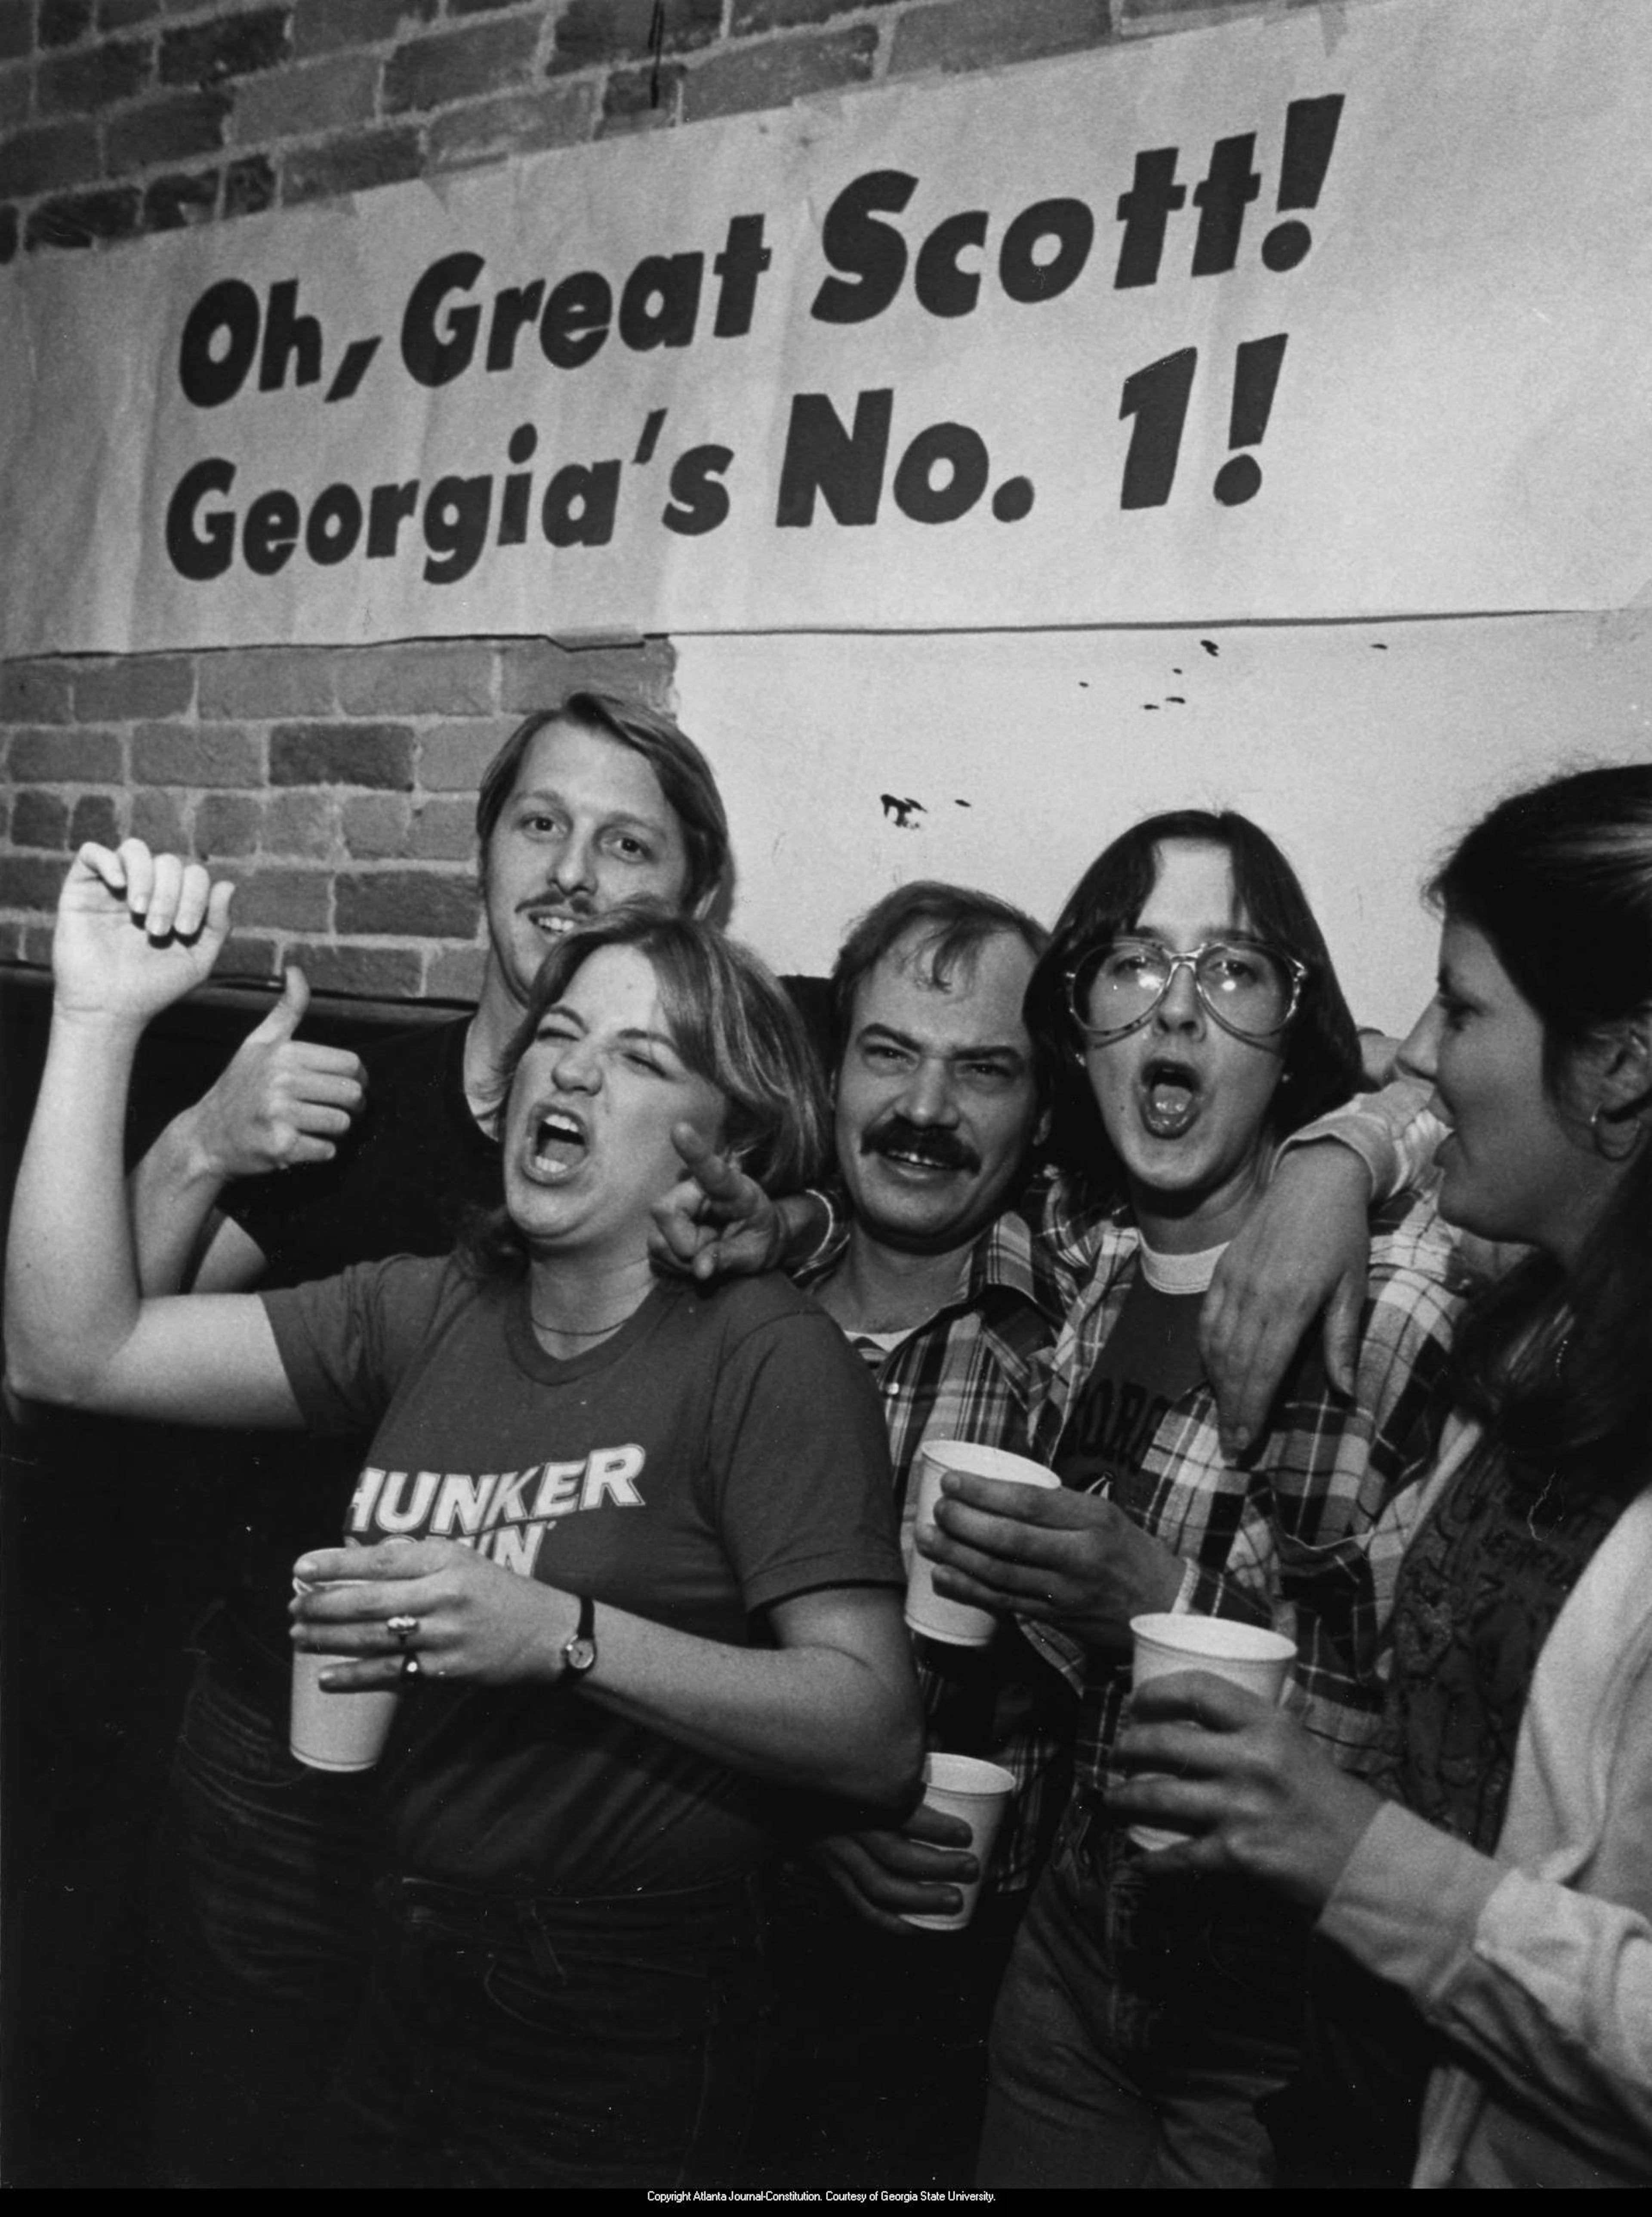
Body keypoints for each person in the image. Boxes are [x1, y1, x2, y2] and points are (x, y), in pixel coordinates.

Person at [6, 843, 924, 2190]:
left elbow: (874, 1734)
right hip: (401, 1947)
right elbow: (68, 1353)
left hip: (618, 2005)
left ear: (727, 1144)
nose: (573, 1068)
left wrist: (562, 1634)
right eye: (560, 1033)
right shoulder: (430, 1308)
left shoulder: (762, 1351)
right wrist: (97, 1021)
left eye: (642, 1056)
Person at [123, 691, 733, 2185]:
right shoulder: (340, 1101)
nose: (572, 872)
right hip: (280, 1737)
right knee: (222, 2126)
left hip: (545, 1787)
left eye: (625, 843)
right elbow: (103, 1339)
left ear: (695, 901)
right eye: (540, 824)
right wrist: (204, 1139)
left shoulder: (701, 1140)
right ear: (483, 855)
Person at [1108, 764, 1652, 2188]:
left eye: (1463, 1007)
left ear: (1622, 1067)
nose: (1419, 1047)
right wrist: (1331, 1158)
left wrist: (1353, 1853)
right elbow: (1402, 1108)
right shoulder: (1545, 1324)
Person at [917, 809, 1467, 2188]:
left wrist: (1154, 1605)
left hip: (1275, 2009)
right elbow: (895, 1193)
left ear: (1293, 1030)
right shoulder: (1082, 1263)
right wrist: (779, 1218)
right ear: (1083, 1027)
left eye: (1231, 971)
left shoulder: (1388, 1309)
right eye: (1131, 967)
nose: (1174, 1011)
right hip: (1071, 1940)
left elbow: (1431, 1770)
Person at [741, 883, 1073, 2186]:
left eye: (983, 1070)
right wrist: (804, 1808)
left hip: (962, 2001)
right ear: (832, 1081)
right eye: (890, 1054)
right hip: (709, 1932)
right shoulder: (731, 1309)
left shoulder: (1074, 1343)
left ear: (1044, 1111)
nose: (927, 1111)